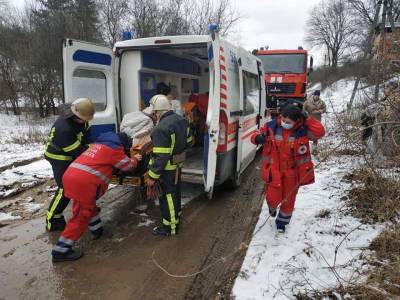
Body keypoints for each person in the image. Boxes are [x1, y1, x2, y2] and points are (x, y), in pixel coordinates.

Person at [51, 131, 141, 262]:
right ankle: (60, 251)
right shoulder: (114, 149)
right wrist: (136, 159)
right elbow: (128, 166)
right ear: (122, 144)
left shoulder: (97, 145)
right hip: (83, 183)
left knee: (87, 205)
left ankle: (97, 229)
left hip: (70, 176)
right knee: (81, 217)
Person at [251, 105, 325, 233]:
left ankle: (282, 223)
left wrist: (308, 119)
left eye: (288, 122)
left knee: (288, 200)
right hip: (274, 171)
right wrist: (257, 138)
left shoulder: (303, 130)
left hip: (292, 172)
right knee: (272, 197)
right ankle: (272, 208)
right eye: (283, 119)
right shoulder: (272, 126)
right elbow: (256, 133)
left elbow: (320, 133)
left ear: (297, 121)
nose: (284, 123)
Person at [44, 98, 95, 231]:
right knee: (64, 189)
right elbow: (77, 151)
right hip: (58, 156)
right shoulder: (64, 129)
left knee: (72, 185)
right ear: (75, 115)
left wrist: (91, 145)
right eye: (83, 119)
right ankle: (52, 219)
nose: (85, 121)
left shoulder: (82, 118)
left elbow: (86, 136)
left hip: (69, 153)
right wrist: (94, 150)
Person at [146, 94, 192, 236]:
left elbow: (161, 157)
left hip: (167, 170)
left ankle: (170, 227)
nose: (153, 116)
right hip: (177, 166)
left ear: (158, 112)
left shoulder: (161, 129)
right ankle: (176, 216)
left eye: (153, 113)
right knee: (176, 191)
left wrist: (152, 176)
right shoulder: (182, 121)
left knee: (167, 197)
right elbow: (189, 141)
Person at [303, 90, 326, 155]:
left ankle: (314, 148)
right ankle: (305, 147)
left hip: (317, 120)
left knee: (316, 134)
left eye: (318, 96)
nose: (316, 97)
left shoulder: (321, 102)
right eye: (316, 95)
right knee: (307, 133)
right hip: (309, 120)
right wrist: (305, 114)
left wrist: (319, 111)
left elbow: (324, 109)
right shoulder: (308, 101)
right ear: (314, 95)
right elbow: (303, 109)